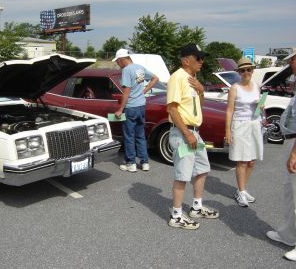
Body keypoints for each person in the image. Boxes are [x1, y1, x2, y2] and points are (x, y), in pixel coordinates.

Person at [166, 43, 219, 230]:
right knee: (182, 175)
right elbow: (172, 109)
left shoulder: (193, 78)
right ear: (186, 60)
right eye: (198, 58)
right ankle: (176, 216)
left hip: (195, 132)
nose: (202, 61)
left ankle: (196, 207)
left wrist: (201, 90)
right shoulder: (177, 78)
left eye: (202, 58)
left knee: (202, 169)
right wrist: (187, 133)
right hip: (183, 133)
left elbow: (199, 105)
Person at [266, 49, 296, 261]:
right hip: (291, 140)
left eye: (293, 60)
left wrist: (295, 152)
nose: (291, 64)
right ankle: (288, 234)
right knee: (289, 191)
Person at [225, 57, 264, 207]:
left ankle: (242, 189)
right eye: (243, 70)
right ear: (239, 72)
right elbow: (229, 111)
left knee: (251, 161)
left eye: (249, 69)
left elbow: (260, 106)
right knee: (241, 160)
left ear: (252, 71)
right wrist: (227, 130)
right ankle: (241, 191)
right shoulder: (234, 87)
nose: (246, 72)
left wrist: (261, 106)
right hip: (240, 125)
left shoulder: (256, 85)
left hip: (254, 124)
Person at [113, 48, 159, 172]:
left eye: (117, 61)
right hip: (141, 106)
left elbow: (126, 92)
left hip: (131, 107)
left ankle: (131, 163)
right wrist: (143, 91)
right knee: (140, 135)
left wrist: (120, 109)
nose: (117, 64)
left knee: (129, 136)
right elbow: (155, 78)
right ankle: (144, 162)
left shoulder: (126, 70)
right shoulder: (140, 67)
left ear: (122, 59)